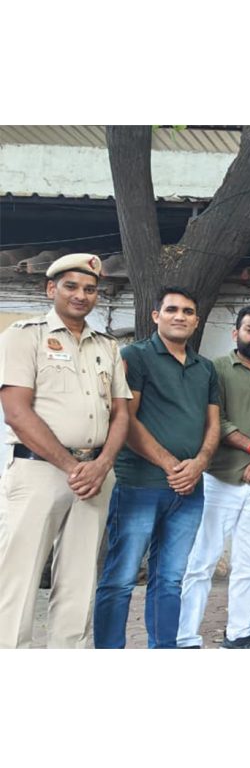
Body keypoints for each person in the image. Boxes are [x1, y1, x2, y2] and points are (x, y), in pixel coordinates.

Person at [0, 253, 131, 648]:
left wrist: (103, 464)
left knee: (79, 579)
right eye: (71, 286)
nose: (81, 295)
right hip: (40, 472)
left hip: (95, 476)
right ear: (50, 289)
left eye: (90, 289)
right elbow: (16, 412)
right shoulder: (25, 335)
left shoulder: (107, 346)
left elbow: (121, 413)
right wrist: (73, 466)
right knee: (18, 577)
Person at [93, 286, 220, 649]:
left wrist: (200, 463)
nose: (180, 316)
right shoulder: (135, 356)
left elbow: (213, 423)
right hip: (140, 485)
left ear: (196, 321)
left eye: (188, 311)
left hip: (189, 491)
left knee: (170, 579)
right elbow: (125, 420)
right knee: (120, 578)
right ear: (156, 316)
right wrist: (171, 465)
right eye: (172, 309)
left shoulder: (205, 368)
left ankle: (163, 650)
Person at [177, 305, 250, 649]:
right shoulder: (215, 369)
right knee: (202, 561)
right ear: (236, 333)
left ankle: (239, 633)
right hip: (220, 479)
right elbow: (215, 420)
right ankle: (185, 637)